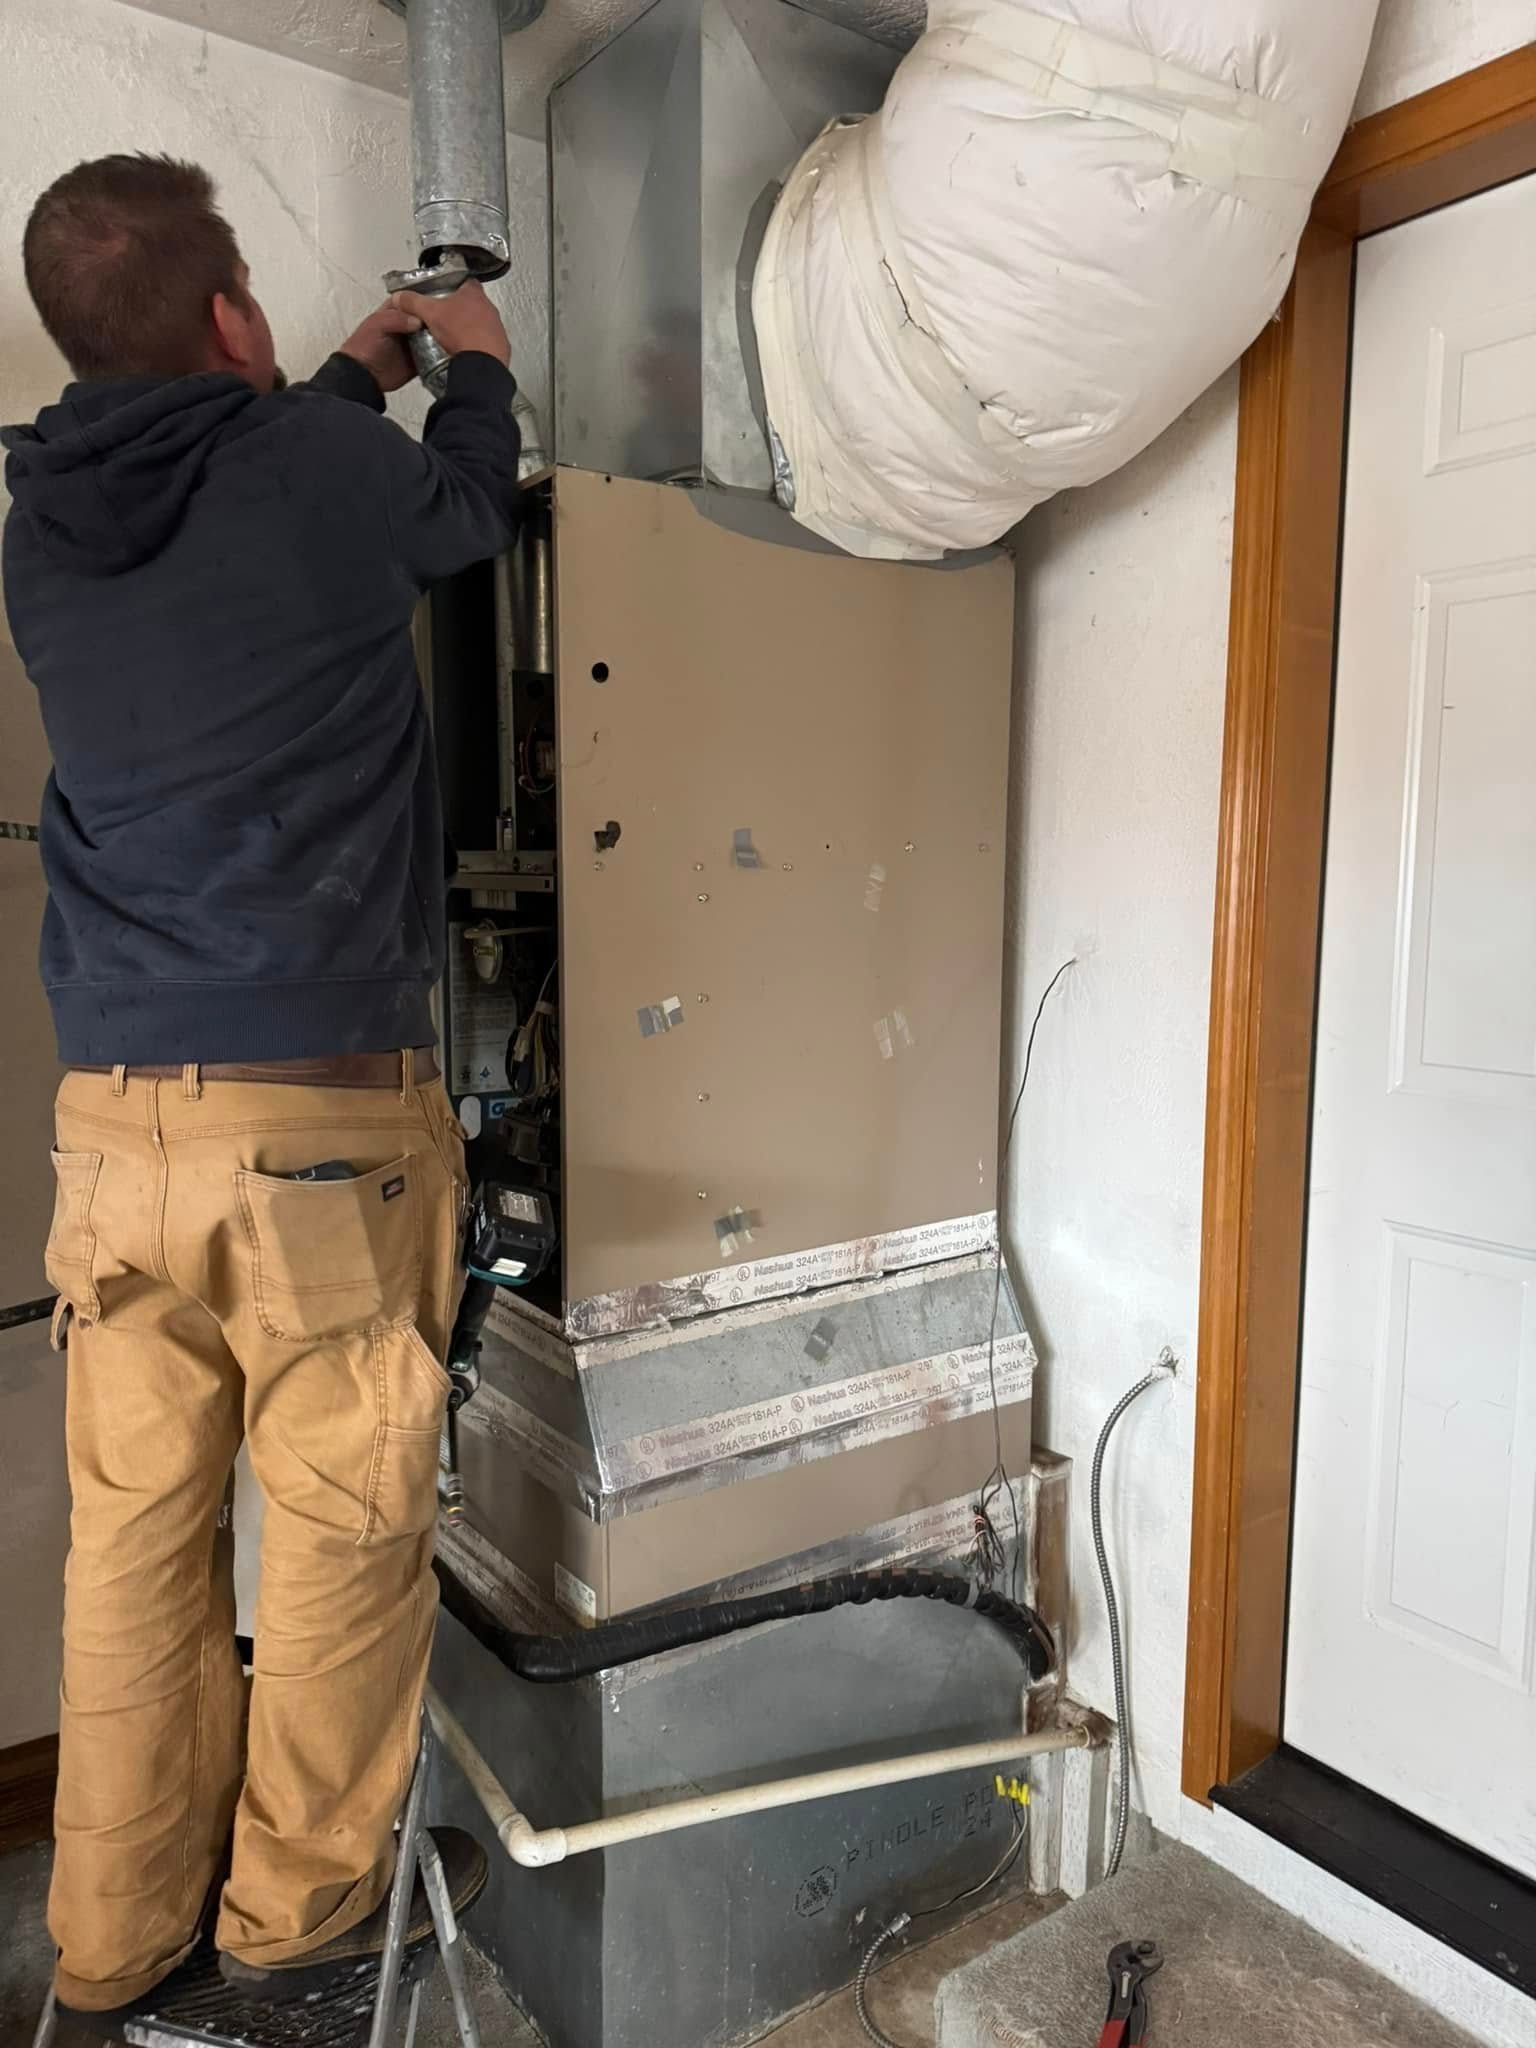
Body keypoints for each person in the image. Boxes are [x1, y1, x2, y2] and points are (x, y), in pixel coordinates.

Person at [1, 153, 523, 2016]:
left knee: (133, 1555)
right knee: (340, 1529)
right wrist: (468, 356)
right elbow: (460, 514)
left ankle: (111, 1957)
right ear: (231, 316)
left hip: (112, 1138)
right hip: (314, 1140)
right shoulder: (310, 474)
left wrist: (338, 375)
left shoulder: (44, 513)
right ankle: (293, 1934)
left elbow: (249, 482)